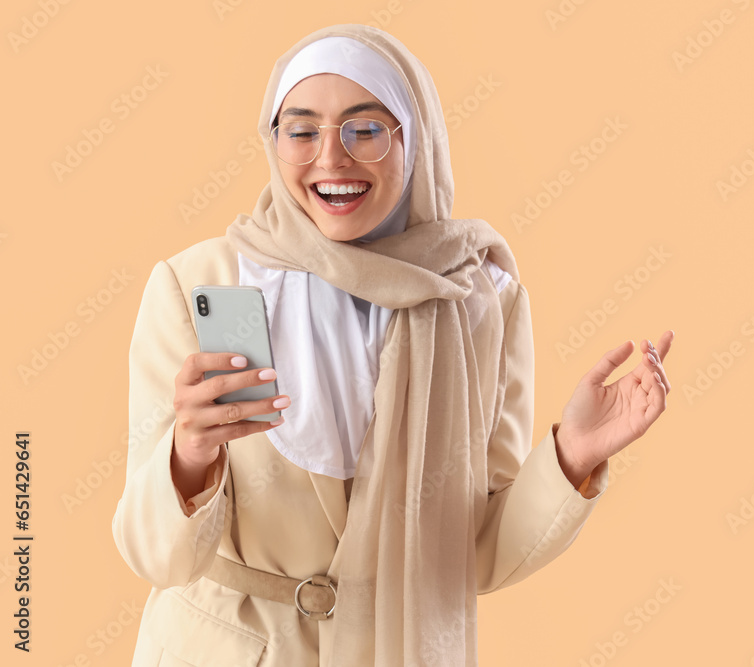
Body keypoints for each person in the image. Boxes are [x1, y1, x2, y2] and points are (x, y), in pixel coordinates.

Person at [112, 23, 673, 667]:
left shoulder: (479, 303)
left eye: (366, 129)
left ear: (418, 140)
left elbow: (475, 555)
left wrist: (572, 456)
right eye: (301, 131)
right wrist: (190, 454)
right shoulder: (203, 285)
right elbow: (153, 555)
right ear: (274, 144)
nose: (331, 158)